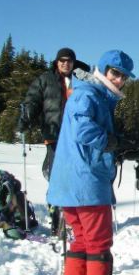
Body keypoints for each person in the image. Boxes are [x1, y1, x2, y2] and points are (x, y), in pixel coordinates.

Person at [47, 50, 135, 275]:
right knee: (98, 246)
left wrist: (119, 145)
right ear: (103, 70)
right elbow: (83, 128)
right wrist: (111, 142)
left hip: (72, 186)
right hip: (86, 186)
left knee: (81, 244)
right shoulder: (89, 93)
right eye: (115, 73)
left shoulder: (90, 93)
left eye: (124, 77)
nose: (119, 80)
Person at [19, 47, 90, 236]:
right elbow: (32, 100)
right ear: (57, 62)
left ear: (74, 63)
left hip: (77, 137)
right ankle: (56, 221)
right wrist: (26, 117)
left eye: (69, 60)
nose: (65, 63)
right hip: (54, 135)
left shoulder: (82, 79)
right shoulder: (45, 79)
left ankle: (75, 220)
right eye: (62, 60)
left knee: (77, 178)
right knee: (56, 178)